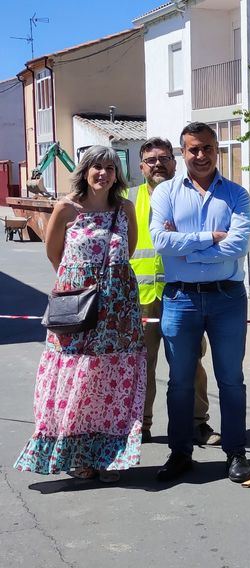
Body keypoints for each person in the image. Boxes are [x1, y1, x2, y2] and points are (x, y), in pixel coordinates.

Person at [14, 145, 146, 483]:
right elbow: (54, 254)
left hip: (118, 312)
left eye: (110, 168)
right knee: (77, 379)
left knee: (108, 381)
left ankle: (108, 456)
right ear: (85, 171)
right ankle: (78, 456)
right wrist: (79, 284)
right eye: (97, 167)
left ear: (118, 175)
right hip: (76, 308)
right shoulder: (66, 208)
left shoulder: (124, 208)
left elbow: (126, 253)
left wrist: (107, 286)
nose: (103, 173)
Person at [150, 122, 250, 483]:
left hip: (227, 298)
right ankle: (180, 453)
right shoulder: (165, 192)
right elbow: (161, 242)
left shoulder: (237, 195)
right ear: (184, 152)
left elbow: (238, 248)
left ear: (216, 150)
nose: (201, 155)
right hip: (180, 298)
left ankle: (236, 453)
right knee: (179, 381)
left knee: (231, 379)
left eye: (207, 148)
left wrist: (188, 248)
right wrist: (210, 238)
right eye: (193, 149)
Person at [129, 137, 220, 446]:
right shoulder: (128, 201)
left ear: (175, 161)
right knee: (140, 365)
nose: (158, 164)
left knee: (190, 362)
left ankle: (197, 424)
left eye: (164, 158)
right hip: (140, 301)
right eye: (151, 159)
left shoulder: (190, 196)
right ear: (141, 166)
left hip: (184, 295)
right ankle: (139, 426)